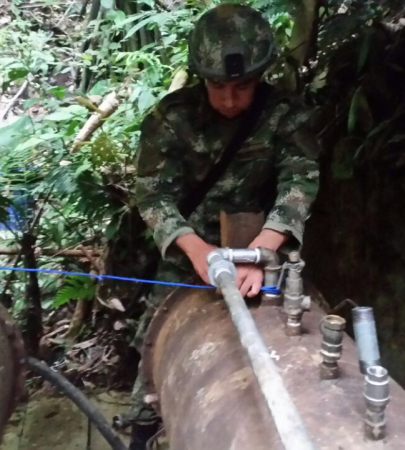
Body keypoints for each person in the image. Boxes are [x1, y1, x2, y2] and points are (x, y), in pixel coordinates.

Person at [124, 4, 321, 448]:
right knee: (154, 355)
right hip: (187, 252)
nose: (230, 100)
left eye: (243, 86)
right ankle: (141, 430)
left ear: (262, 76)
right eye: (218, 87)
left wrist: (260, 253)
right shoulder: (170, 119)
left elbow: (300, 181)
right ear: (199, 77)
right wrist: (198, 253)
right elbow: (152, 195)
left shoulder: (286, 116)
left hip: (262, 247)